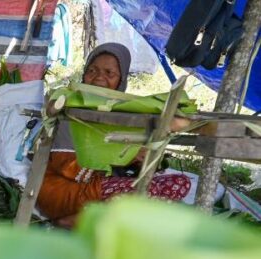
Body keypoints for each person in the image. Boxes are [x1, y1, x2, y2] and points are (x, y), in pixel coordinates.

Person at [37, 42, 194, 227]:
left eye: (109, 73)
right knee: (141, 193)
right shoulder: (70, 109)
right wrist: (124, 160)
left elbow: (126, 159)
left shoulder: (121, 112)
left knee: (180, 183)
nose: (98, 78)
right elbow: (67, 166)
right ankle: (72, 221)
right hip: (62, 191)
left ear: (122, 80)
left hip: (99, 187)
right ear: (84, 73)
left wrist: (140, 159)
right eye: (92, 71)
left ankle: (96, 221)